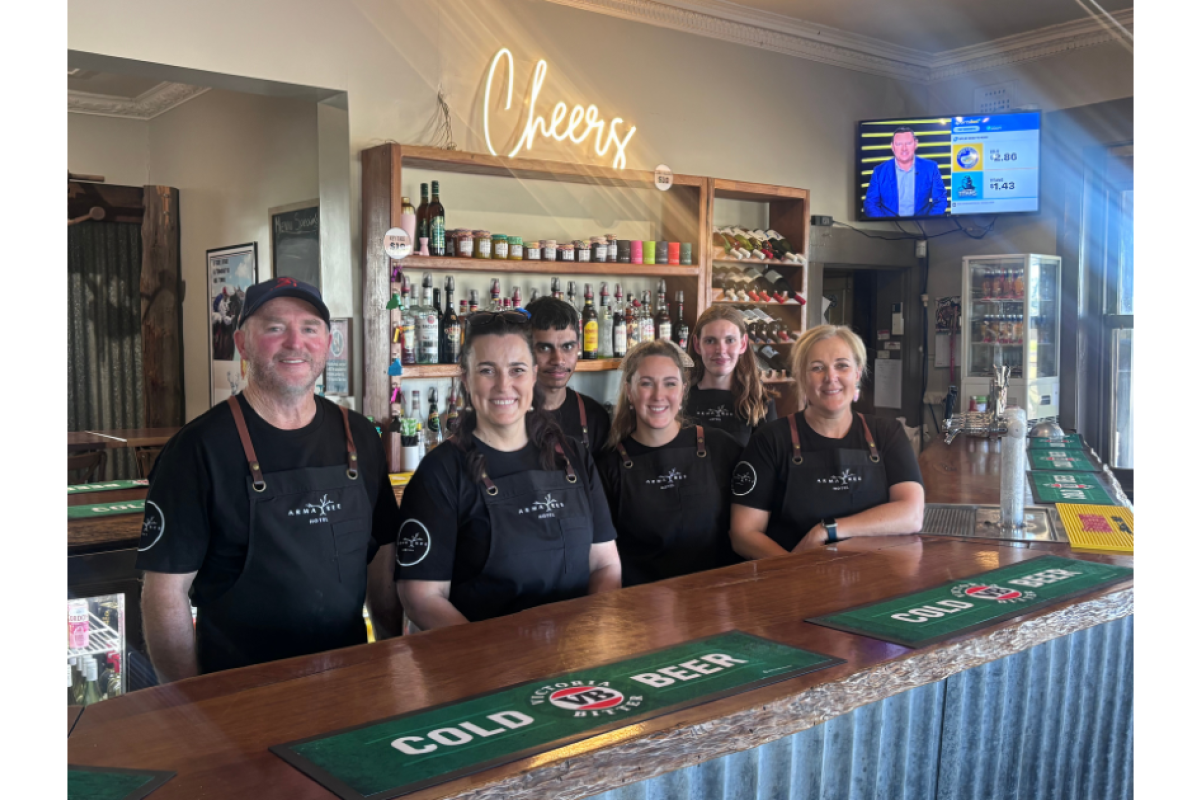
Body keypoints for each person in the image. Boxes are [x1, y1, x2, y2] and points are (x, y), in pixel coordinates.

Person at [137, 277, 403, 680]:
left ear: (329, 343)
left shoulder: (359, 435)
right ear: (242, 343)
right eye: (275, 327)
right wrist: (187, 703)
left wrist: (390, 660)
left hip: (351, 679)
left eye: (309, 328)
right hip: (238, 690)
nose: (295, 342)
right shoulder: (197, 449)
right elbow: (164, 593)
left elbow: (381, 560)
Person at [395, 309, 622, 629]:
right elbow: (421, 596)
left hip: (576, 659)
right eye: (487, 370)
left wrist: (590, 634)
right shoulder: (440, 472)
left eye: (516, 370)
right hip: (486, 668)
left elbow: (605, 565)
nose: (504, 385)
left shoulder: (572, 455)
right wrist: (492, 662)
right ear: (466, 380)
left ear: (532, 375)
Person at [730, 324, 924, 558]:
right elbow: (743, 534)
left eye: (842, 365)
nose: (831, 377)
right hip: (796, 583)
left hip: (876, 576)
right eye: (817, 368)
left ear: (857, 374)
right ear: (802, 378)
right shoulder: (770, 441)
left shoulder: (887, 433)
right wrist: (795, 570)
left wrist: (826, 530)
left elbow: (912, 515)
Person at [597, 340, 742, 586]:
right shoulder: (608, 466)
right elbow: (603, 559)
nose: (658, 396)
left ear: (683, 391)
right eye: (646, 384)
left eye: (670, 384)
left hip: (716, 600)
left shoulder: (720, 447)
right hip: (642, 607)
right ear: (629, 391)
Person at [525, 296, 611, 459]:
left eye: (567, 347)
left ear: (578, 348)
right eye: (544, 347)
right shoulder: (507, 415)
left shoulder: (595, 417)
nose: (558, 359)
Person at [685, 305, 777, 447]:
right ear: (697, 345)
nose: (721, 350)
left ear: (743, 343)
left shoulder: (760, 401)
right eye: (710, 341)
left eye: (730, 340)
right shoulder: (679, 398)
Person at [863, 127, 948, 218]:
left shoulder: (930, 167)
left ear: (915, 144)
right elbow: (871, 204)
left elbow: (940, 201)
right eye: (899, 144)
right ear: (893, 146)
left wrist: (927, 223)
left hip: (923, 227)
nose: (904, 148)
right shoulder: (879, 171)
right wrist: (886, 224)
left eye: (908, 143)